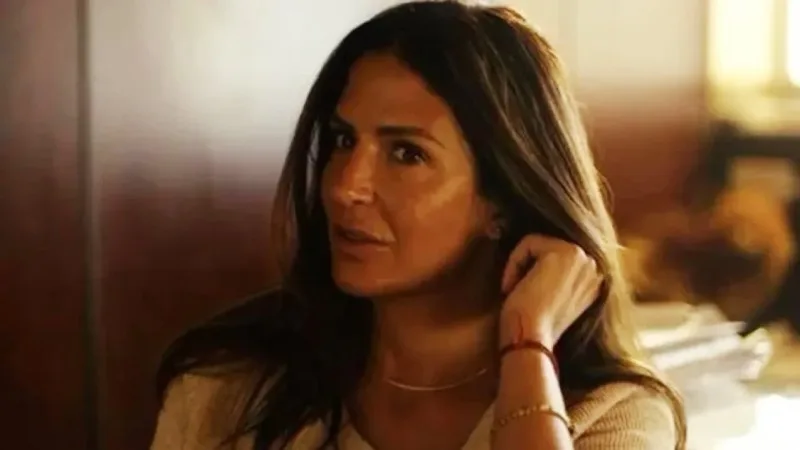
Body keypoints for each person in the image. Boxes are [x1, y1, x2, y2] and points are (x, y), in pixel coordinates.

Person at [150, 1, 686, 449]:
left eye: (406, 153)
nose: (345, 186)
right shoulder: (230, 389)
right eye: (343, 140)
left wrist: (528, 343)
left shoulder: (612, 415)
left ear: (503, 199)